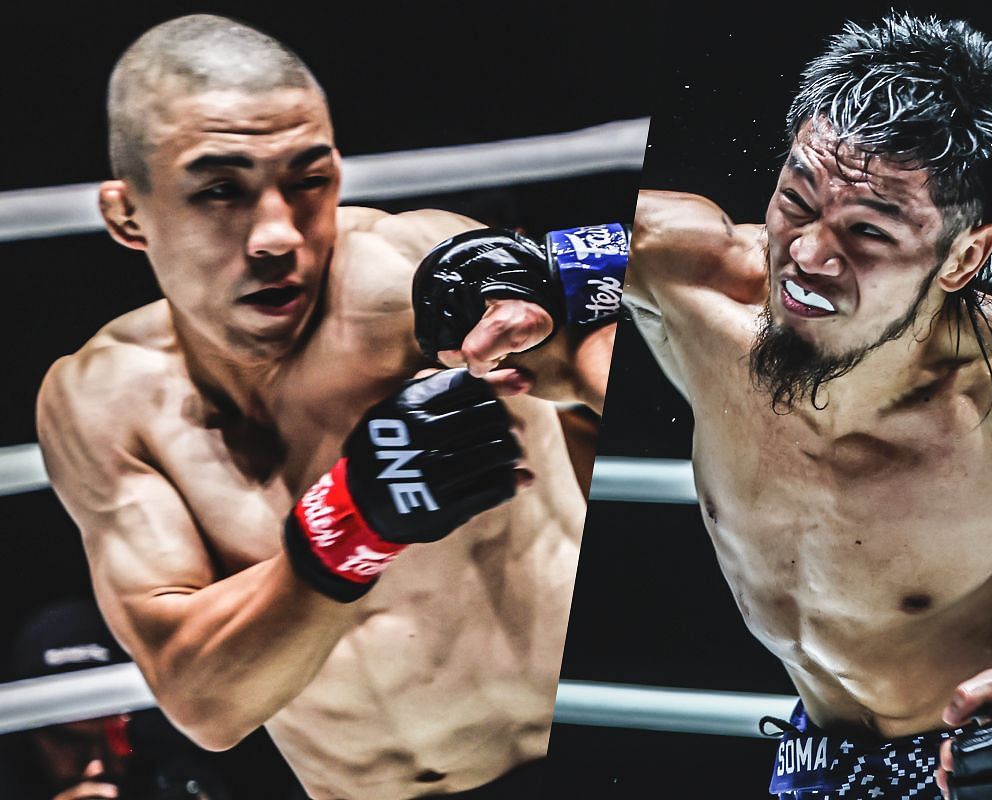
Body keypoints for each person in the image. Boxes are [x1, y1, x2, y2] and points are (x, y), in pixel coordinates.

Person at [434, 14, 992, 800]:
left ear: (964, 256)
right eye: (797, 199)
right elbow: (595, 242)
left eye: (869, 231)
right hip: (818, 765)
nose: (807, 255)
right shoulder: (701, 289)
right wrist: (524, 272)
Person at [36, 14, 614, 800]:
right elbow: (202, 703)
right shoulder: (106, 400)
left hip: (596, 761)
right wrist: (354, 522)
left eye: (308, 179)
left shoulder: (411, 276)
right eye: (218, 190)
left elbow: (607, 366)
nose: (278, 233)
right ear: (127, 214)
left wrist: (604, 280)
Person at [0, 599, 232, 800]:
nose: (96, 765)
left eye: (114, 735)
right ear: (27, 738)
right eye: (69, 741)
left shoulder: (167, 767)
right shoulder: (11, 776)